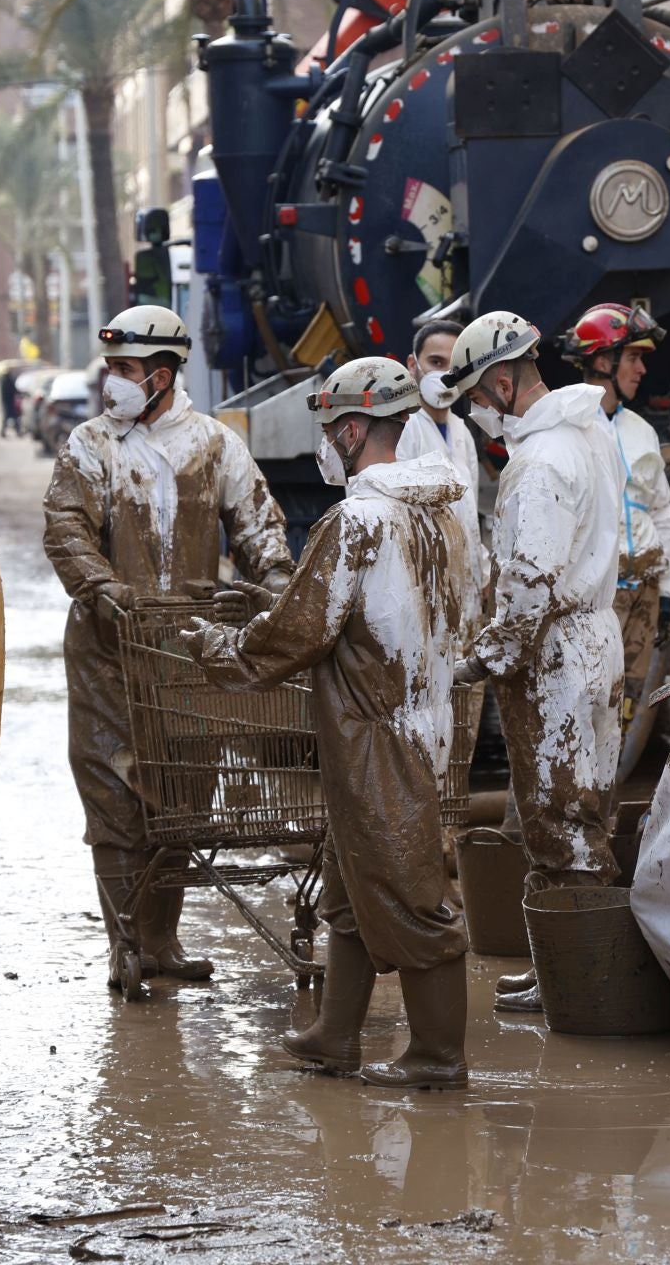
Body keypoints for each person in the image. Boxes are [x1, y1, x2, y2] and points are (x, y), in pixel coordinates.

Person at [180, 357, 477, 1088]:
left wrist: (219, 650)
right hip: (423, 715)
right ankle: (333, 1035)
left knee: (412, 896)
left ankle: (438, 1055)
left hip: (376, 731)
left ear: (351, 430)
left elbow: (298, 633)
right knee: (351, 880)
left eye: (326, 431)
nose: (324, 445)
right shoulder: (443, 516)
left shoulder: (358, 520)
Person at [44, 304, 294, 985]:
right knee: (112, 796)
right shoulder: (89, 446)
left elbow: (262, 535)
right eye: (109, 370)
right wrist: (100, 586)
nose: (110, 384)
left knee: (183, 793)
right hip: (107, 649)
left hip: (186, 651)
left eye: (123, 371)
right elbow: (64, 527)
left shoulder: (215, 446)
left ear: (160, 375)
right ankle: (125, 947)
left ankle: (163, 943)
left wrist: (279, 597)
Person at [426, 311, 624, 1016]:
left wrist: (476, 661)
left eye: (479, 396)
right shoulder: (588, 432)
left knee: (558, 817)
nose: (476, 412)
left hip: (557, 654)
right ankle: (565, 970)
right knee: (582, 808)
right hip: (595, 636)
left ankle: (585, 980)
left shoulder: (539, 464)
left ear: (506, 383)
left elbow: (530, 585)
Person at [562, 303, 670, 733]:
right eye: (633, 357)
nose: (642, 369)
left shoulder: (641, 431)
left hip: (643, 593)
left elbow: (663, 514)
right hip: (594, 601)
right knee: (582, 715)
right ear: (601, 360)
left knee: (624, 715)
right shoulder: (567, 428)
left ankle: (609, 798)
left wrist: (666, 595)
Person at [399, 320, 488, 604]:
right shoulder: (401, 428)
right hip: (422, 589)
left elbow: (469, 511)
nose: (444, 375)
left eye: (453, 368)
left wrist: (483, 573)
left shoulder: (461, 431)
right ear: (413, 364)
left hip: (466, 586)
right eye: (435, 362)